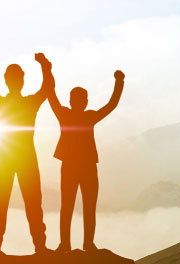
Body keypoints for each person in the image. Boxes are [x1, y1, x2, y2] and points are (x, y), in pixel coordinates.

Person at [0, 52, 54, 255]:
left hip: (7, 157)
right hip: (20, 156)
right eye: (16, 78)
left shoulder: (1, 103)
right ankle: (38, 246)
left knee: (9, 201)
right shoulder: (28, 103)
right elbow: (47, 88)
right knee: (28, 202)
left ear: (9, 81)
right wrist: (45, 66)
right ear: (20, 81)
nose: (17, 81)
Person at [46, 70, 125, 253]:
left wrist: (47, 70)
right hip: (86, 166)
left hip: (73, 166)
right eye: (81, 99)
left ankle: (69, 244)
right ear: (83, 101)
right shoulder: (86, 116)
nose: (81, 102)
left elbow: (51, 95)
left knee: (69, 207)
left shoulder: (65, 114)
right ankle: (84, 244)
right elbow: (111, 105)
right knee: (85, 207)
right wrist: (119, 82)